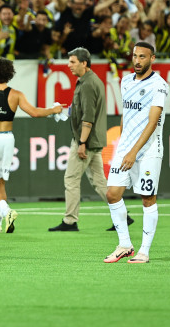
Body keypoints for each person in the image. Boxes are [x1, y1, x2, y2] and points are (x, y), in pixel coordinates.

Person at [0, 58, 62, 233]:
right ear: (10, 75)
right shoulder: (16, 94)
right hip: (8, 139)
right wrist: (53, 110)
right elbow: (35, 113)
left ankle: (8, 212)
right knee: (0, 182)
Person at [50, 47, 131, 232]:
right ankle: (123, 216)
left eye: (72, 62)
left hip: (86, 140)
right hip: (95, 139)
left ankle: (70, 221)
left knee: (71, 179)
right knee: (99, 182)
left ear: (84, 63)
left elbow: (88, 117)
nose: (69, 65)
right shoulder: (93, 80)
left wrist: (82, 143)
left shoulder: (86, 84)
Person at [104, 42, 169, 264]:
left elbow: (152, 122)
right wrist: (123, 143)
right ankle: (124, 244)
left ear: (152, 58)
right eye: (134, 56)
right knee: (112, 193)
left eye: (142, 56)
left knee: (147, 198)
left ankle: (144, 251)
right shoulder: (125, 81)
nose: (137, 60)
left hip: (149, 150)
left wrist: (133, 151)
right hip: (126, 148)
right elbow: (126, 113)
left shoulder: (159, 85)